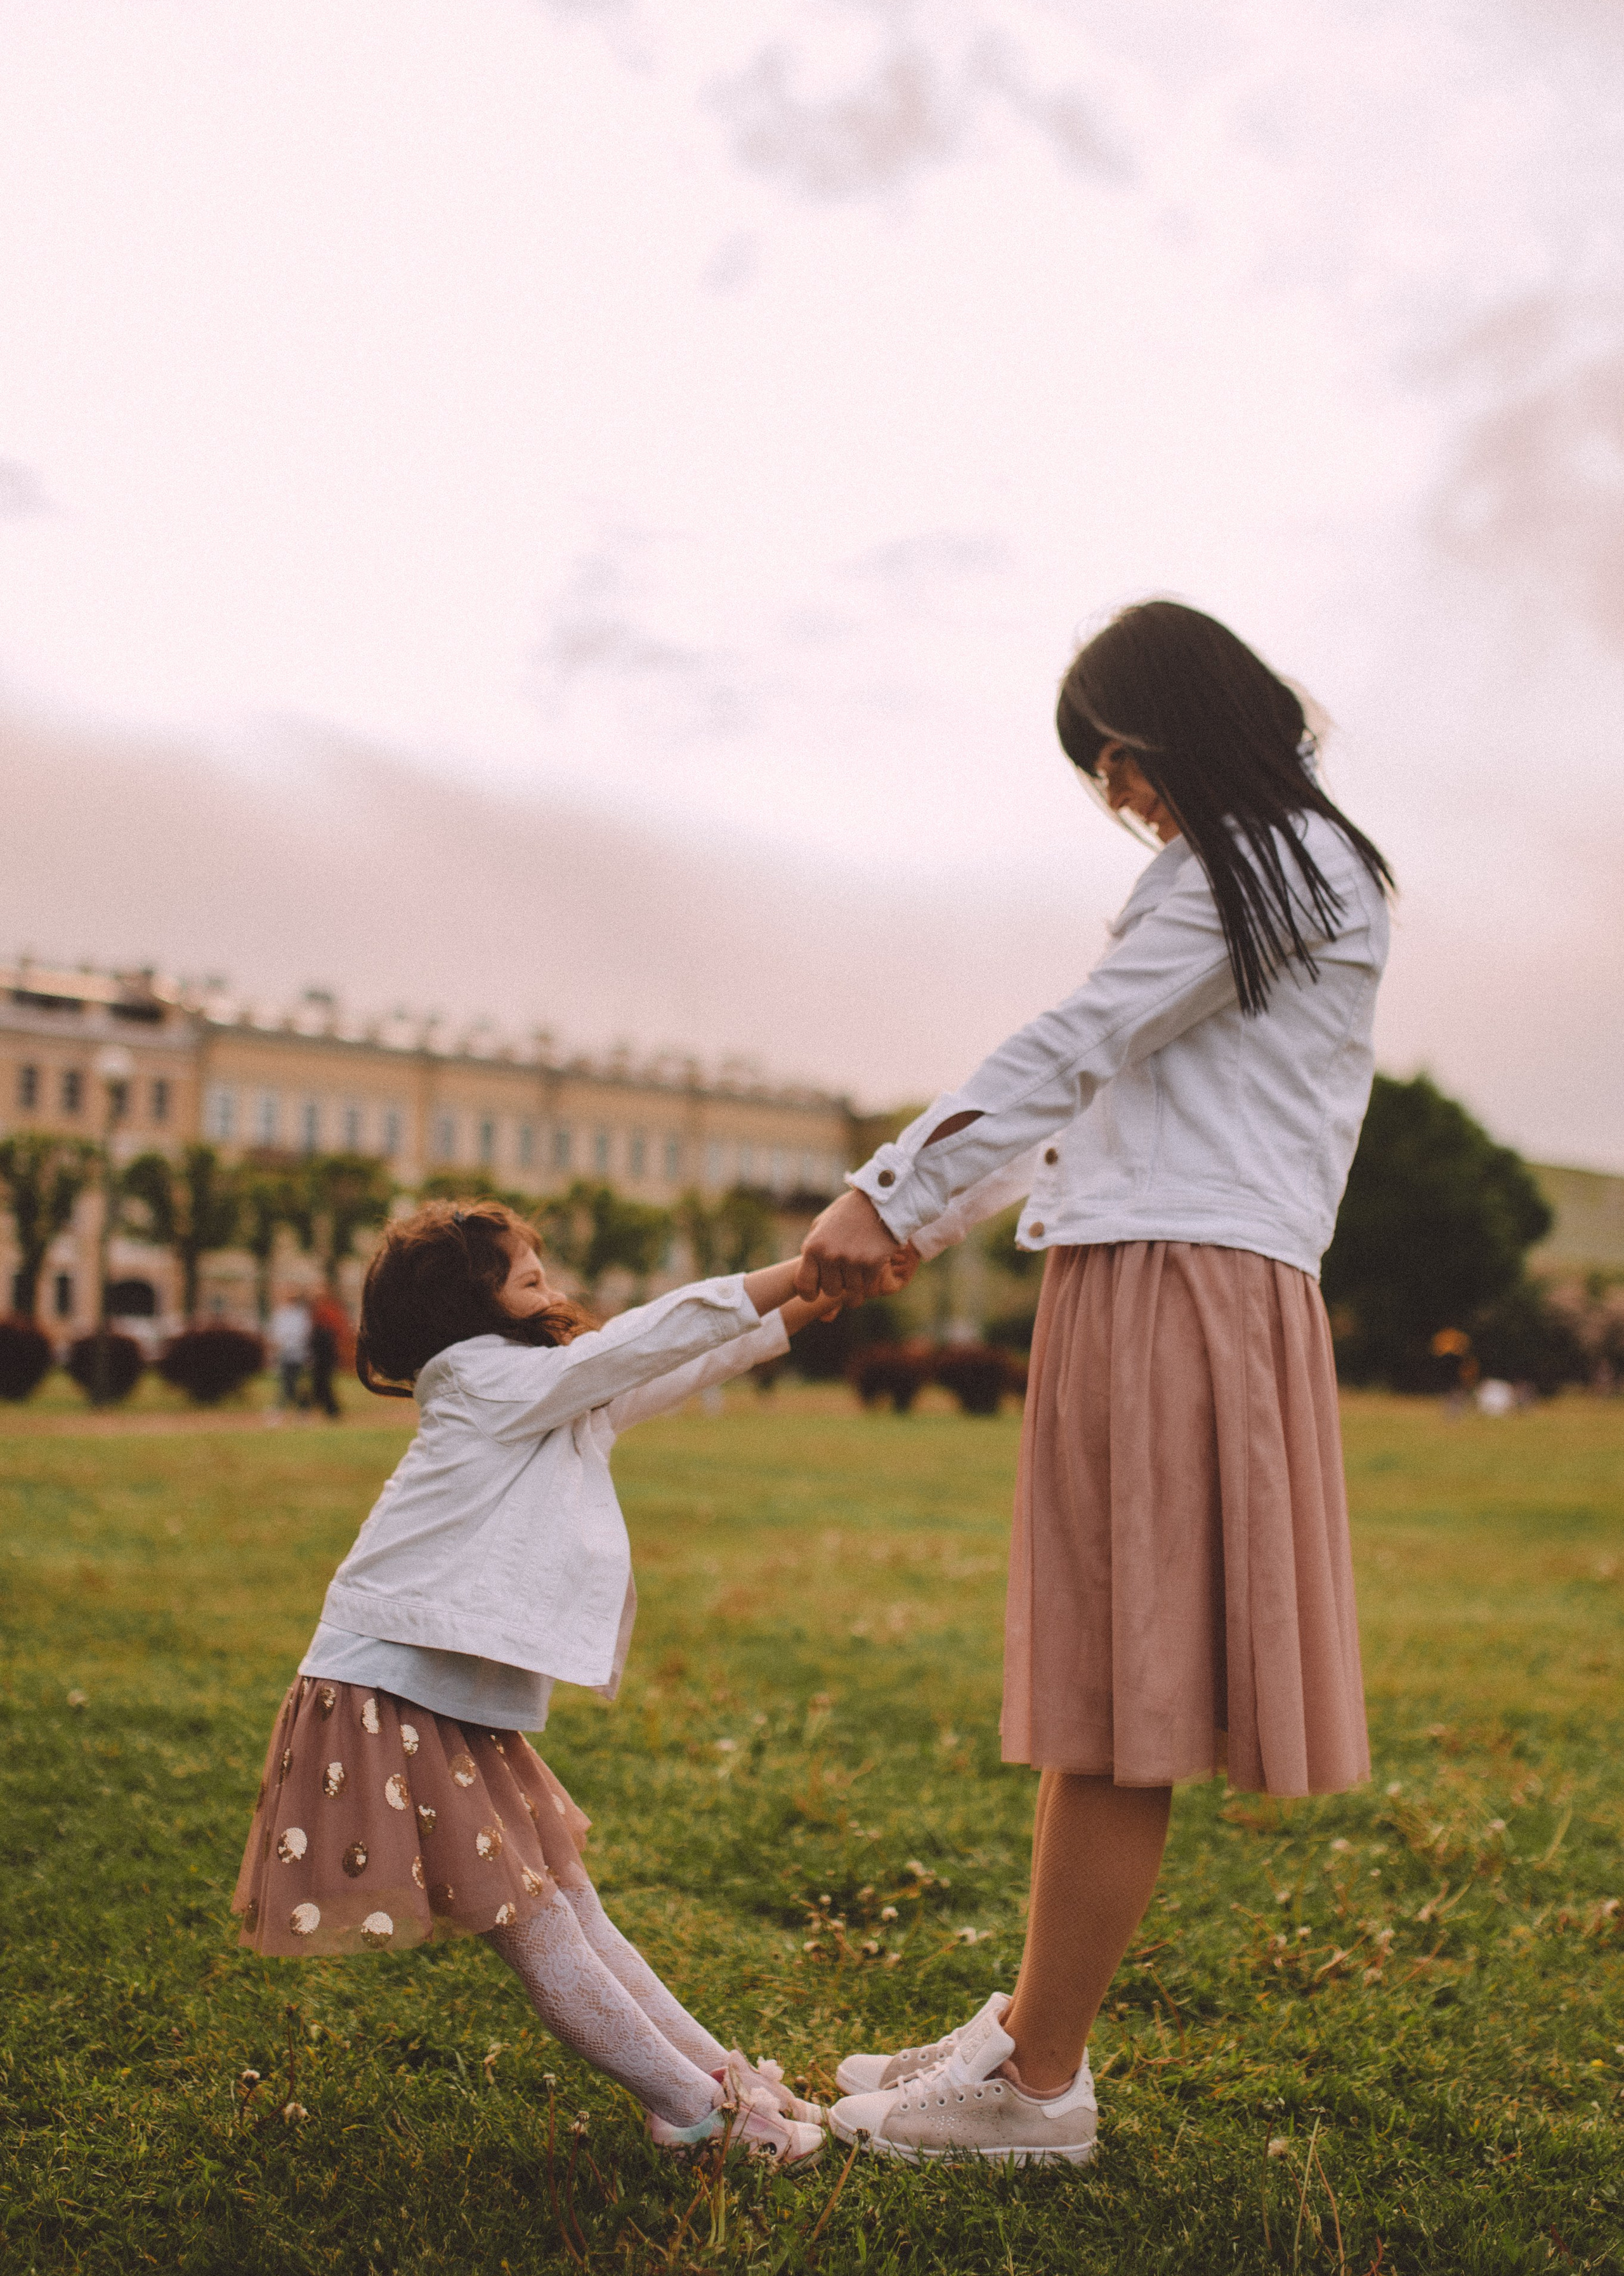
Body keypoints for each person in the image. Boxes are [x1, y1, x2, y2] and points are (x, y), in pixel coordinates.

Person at [797, 600, 1393, 2166]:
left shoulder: (1265, 862)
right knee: (1100, 1689)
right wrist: (924, 1217)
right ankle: (1024, 2029)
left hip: (1180, 1281)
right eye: (1099, 772)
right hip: (1152, 1270)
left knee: (1123, 1700)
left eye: (1118, 755)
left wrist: (886, 1191)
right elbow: (1108, 1083)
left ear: (1180, 723)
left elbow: (1074, 1040)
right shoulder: (1261, 866)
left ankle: (1037, 2081)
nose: (1116, 792)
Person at [233, 1199, 879, 2165]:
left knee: (571, 1905)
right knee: (539, 1926)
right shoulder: (485, 1380)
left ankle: (718, 2082)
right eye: (527, 1275)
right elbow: (642, 1341)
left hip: (436, 1692)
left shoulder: (534, 1390)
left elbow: (667, 1366)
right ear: (466, 1305)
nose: (552, 1284)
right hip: (390, 1690)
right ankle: (696, 2117)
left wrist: (804, 1306)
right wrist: (792, 1273)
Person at [268, 1292, 311, 1410]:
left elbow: (305, 1333)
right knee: (286, 1380)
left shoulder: (302, 1315)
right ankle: (289, 1404)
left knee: (295, 1380)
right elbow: (276, 1333)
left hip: (298, 1352)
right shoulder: (282, 1314)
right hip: (285, 1351)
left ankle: (300, 1405)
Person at [306, 1289, 345, 1421]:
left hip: (324, 1354)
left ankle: (330, 1409)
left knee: (322, 1382)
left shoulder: (325, 1312)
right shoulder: (326, 1311)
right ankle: (328, 1408)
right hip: (324, 1353)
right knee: (322, 1382)